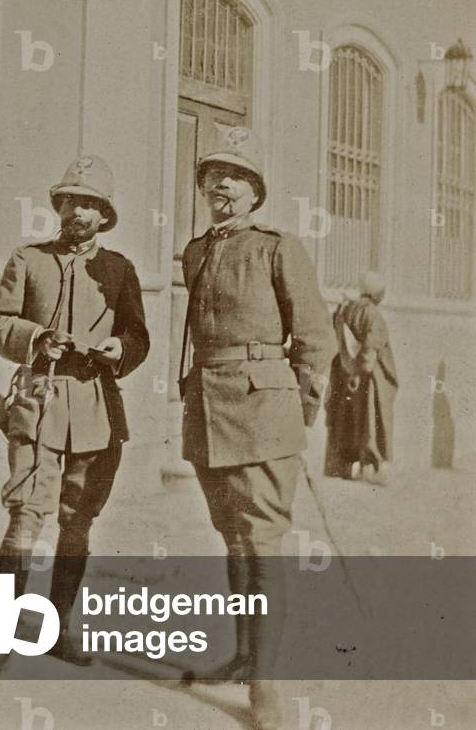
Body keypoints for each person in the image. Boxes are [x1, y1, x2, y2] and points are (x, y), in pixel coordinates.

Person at [0, 154, 150, 684]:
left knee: (78, 520)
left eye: (89, 204)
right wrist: (36, 338)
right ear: (58, 207)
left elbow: (138, 336)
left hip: (96, 405)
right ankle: (2, 640)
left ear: (104, 215)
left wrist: (122, 349)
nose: (77, 212)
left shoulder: (119, 269)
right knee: (26, 516)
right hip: (39, 403)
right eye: (69, 201)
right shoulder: (28, 259)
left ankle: (59, 629)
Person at [179, 126, 335, 730]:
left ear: (254, 192)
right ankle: (245, 656)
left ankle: (266, 685)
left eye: (235, 176)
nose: (221, 184)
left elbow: (315, 338)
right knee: (235, 539)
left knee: (262, 544)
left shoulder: (278, 247)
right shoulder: (196, 250)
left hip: (263, 409)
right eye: (212, 175)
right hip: (208, 408)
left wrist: (297, 413)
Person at [324, 272, 397, 484]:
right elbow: (370, 348)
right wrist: (359, 372)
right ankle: (371, 468)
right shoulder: (372, 313)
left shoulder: (346, 309)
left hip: (344, 372)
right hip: (368, 377)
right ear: (377, 293)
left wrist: (350, 370)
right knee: (371, 421)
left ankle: (344, 466)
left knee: (345, 419)